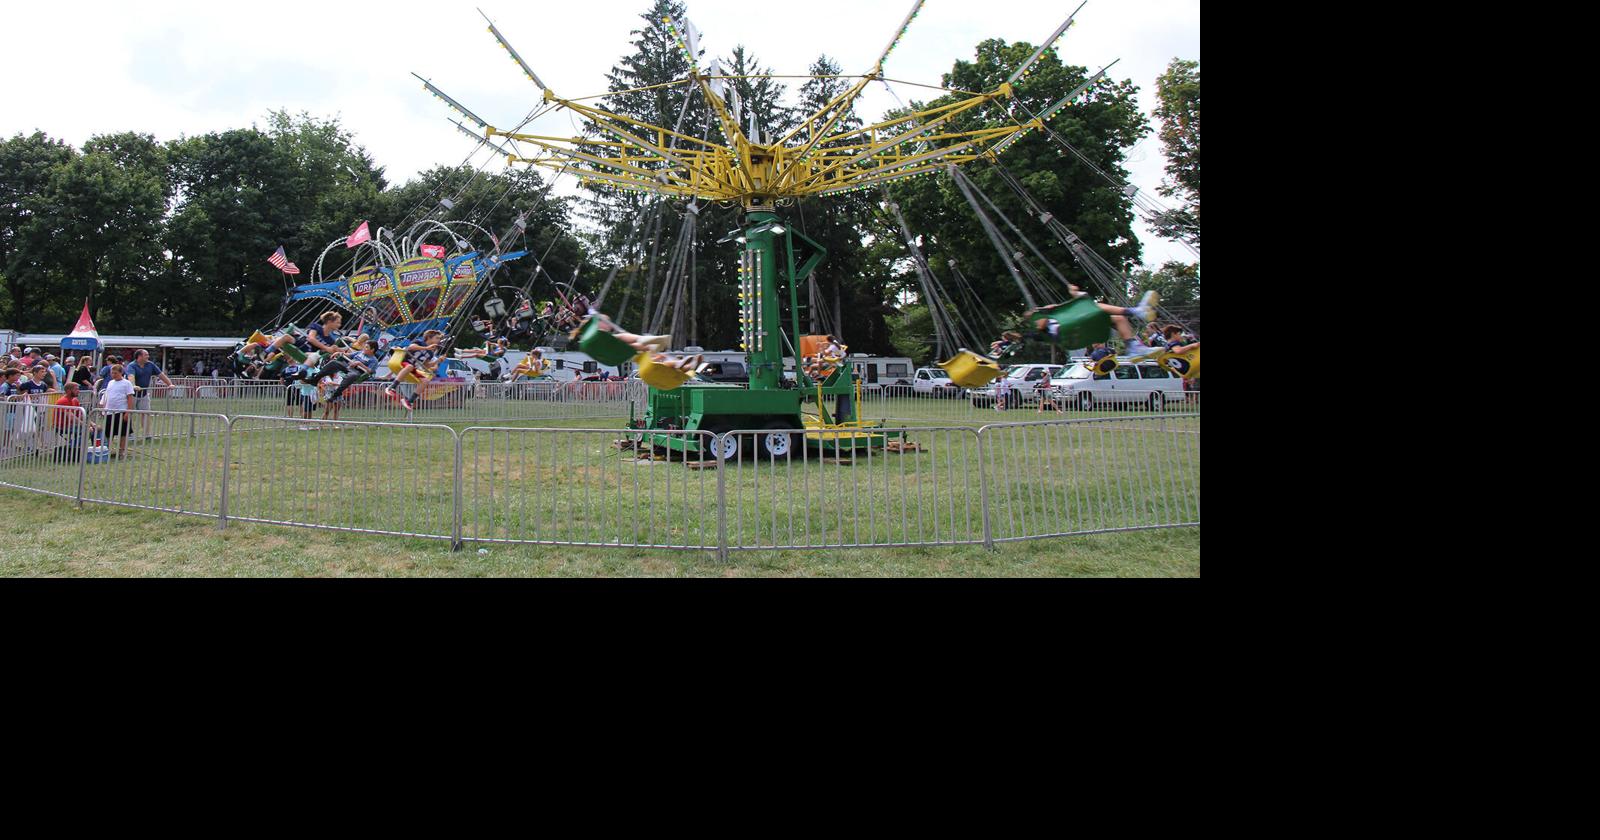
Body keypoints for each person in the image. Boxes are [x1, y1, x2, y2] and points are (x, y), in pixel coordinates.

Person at [1026, 289, 1161, 359]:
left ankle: (1133, 348)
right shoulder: (1041, 324)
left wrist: (1073, 294)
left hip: (1076, 329)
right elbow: (1040, 325)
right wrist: (1042, 311)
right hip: (1068, 331)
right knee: (1095, 307)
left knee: (1119, 319)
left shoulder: (1053, 317)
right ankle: (1136, 311)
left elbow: (1076, 301)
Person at [125, 349, 173, 437]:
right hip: (131, 394)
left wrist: (170, 384)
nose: (148, 356)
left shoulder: (150, 365)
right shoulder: (131, 366)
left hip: (144, 394)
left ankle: (147, 434)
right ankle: (128, 434)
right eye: (146, 355)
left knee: (146, 413)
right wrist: (133, 385)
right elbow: (130, 376)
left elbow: (161, 375)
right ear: (139, 356)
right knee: (129, 414)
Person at [98, 363, 136, 458]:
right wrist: (102, 405)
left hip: (121, 411)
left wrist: (128, 412)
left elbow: (130, 398)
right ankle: (107, 450)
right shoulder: (110, 383)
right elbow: (107, 395)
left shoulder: (127, 383)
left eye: (115, 373)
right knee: (108, 432)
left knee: (123, 433)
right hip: (109, 411)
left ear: (121, 372)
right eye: (112, 373)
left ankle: (121, 451)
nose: (113, 375)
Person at [51, 381, 86, 462]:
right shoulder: (63, 401)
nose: (78, 391)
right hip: (62, 426)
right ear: (69, 391)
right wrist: (86, 426)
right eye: (76, 389)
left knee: (96, 430)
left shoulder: (75, 400)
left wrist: (92, 424)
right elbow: (71, 417)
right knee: (86, 431)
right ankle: (70, 450)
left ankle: (98, 450)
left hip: (71, 425)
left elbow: (81, 416)